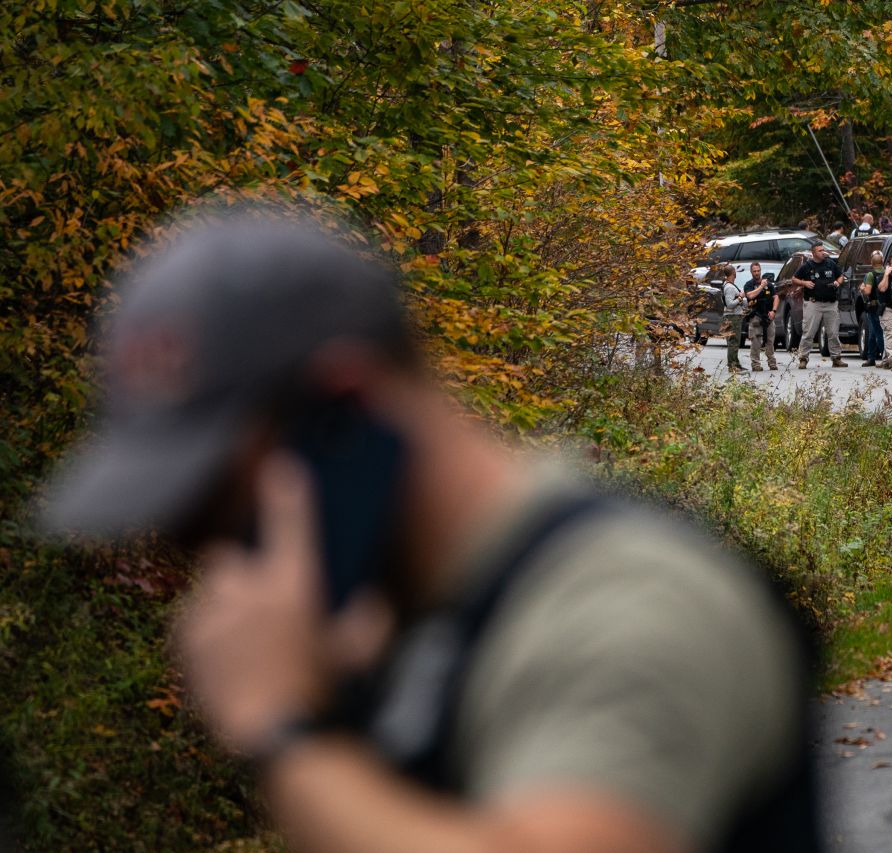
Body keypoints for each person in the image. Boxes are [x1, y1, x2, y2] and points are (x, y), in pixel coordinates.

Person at [39, 209, 822, 853]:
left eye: (216, 511)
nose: (214, 564)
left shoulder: (631, 603)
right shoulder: (424, 622)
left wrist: (283, 731)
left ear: (343, 414)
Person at [792, 242, 847, 369]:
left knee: (833, 332)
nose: (823, 252)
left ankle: (836, 358)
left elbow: (840, 276)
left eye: (823, 250)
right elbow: (794, 279)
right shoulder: (807, 266)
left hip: (831, 303)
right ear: (814, 253)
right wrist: (804, 283)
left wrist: (838, 282)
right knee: (809, 332)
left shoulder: (830, 263)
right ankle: (803, 358)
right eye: (820, 250)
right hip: (813, 303)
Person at [742, 262, 779, 371]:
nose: (757, 273)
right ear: (751, 272)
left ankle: (772, 363)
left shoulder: (769, 285)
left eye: (758, 271)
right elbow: (750, 295)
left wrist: (774, 311)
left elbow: (776, 297)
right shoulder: (749, 284)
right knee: (756, 341)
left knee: (770, 341)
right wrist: (761, 286)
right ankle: (756, 364)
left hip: (768, 316)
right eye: (755, 271)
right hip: (756, 316)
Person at [859, 250, 887, 368]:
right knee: (876, 332)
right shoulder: (887, 273)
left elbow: (868, 291)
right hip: (886, 306)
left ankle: (883, 357)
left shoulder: (870, 275)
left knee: (877, 332)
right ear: (882, 261)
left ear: (871, 262)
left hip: (874, 307)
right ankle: (871, 357)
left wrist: (862, 288)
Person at [719, 264, 747, 373]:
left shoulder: (729, 285)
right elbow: (730, 304)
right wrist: (740, 298)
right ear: (733, 273)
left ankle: (736, 363)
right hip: (732, 317)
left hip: (734, 316)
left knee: (734, 341)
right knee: (733, 342)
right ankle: (732, 365)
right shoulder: (730, 287)